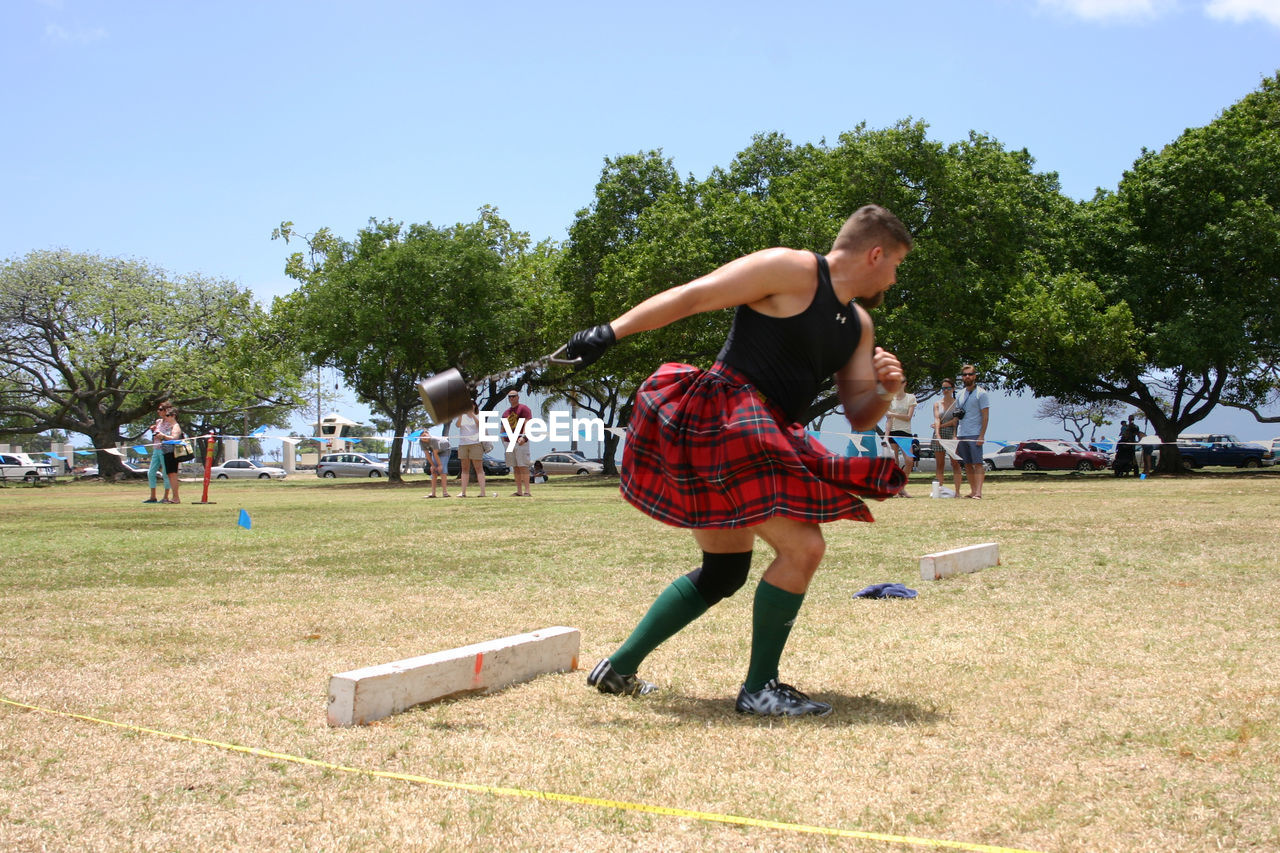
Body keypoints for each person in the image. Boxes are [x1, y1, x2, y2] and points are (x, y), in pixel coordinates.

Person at [563, 204, 911, 717]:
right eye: (896, 264)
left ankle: (618, 668)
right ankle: (760, 690)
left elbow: (861, 414)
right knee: (804, 548)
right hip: (726, 417)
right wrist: (611, 332)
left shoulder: (858, 324)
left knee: (725, 570)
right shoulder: (790, 268)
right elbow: (695, 295)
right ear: (875, 253)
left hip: (763, 433)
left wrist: (887, 389)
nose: (895, 277)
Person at [944, 364, 989, 499]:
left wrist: (982, 435)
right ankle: (973, 491)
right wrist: (955, 435)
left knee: (978, 463)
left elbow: (985, 416)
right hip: (962, 433)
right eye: (964, 375)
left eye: (970, 374)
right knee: (967, 464)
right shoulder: (959, 394)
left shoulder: (982, 393)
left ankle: (979, 493)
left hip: (975, 433)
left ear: (975, 376)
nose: (967, 377)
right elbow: (957, 416)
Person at [931, 379, 964, 497]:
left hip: (951, 434)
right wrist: (938, 433)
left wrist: (940, 426)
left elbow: (955, 421)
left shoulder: (957, 403)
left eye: (948, 388)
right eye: (943, 388)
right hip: (939, 434)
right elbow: (936, 418)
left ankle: (958, 492)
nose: (945, 390)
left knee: (955, 463)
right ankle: (938, 491)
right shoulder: (937, 404)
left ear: (953, 389)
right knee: (940, 464)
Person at [884, 386, 917, 496]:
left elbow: (908, 417)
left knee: (909, 460)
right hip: (892, 432)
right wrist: (886, 436)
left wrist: (892, 414)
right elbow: (888, 419)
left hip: (905, 433)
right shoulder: (890, 399)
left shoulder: (910, 398)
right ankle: (895, 488)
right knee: (895, 462)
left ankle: (901, 486)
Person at [501, 390, 534, 497]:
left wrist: (524, 437)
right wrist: (503, 441)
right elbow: (502, 428)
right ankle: (519, 490)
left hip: (520, 442)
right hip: (509, 442)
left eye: (513, 396)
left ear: (518, 397)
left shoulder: (524, 409)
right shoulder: (506, 413)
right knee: (515, 467)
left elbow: (527, 424)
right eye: (509, 397)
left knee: (523, 465)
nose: (511, 398)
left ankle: (527, 491)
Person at [453, 402, 488, 497]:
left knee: (478, 468)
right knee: (464, 468)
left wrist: (472, 414)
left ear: (475, 406)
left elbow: (480, 424)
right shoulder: (462, 416)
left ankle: (482, 492)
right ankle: (463, 492)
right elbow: (458, 425)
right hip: (463, 444)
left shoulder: (478, 415)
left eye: (472, 404)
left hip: (475, 444)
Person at [143, 401, 173, 504]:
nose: (158, 411)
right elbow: (156, 435)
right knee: (151, 472)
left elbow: (171, 436)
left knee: (165, 473)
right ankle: (152, 496)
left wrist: (162, 435)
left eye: (160, 409)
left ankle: (166, 497)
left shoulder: (171, 422)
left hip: (165, 450)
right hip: (156, 448)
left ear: (166, 411)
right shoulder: (158, 422)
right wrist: (153, 431)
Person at [158, 406, 184, 503]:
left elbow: (174, 437)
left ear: (173, 416)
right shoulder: (171, 426)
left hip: (172, 453)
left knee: (173, 475)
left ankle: (176, 498)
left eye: (168, 415)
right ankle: (175, 497)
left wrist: (163, 436)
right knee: (170, 475)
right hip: (167, 452)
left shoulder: (176, 426)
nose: (166, 417)